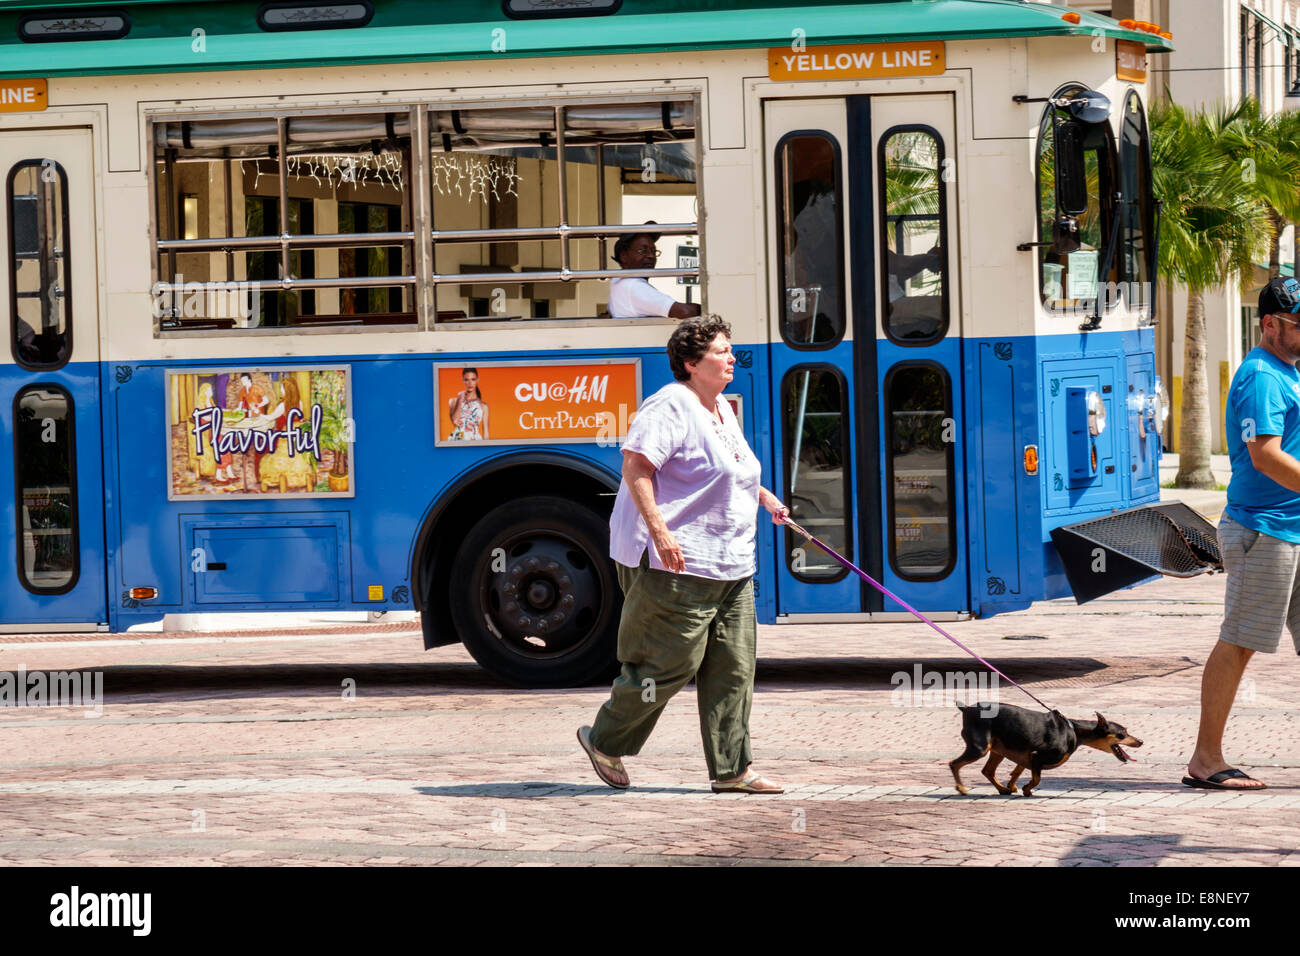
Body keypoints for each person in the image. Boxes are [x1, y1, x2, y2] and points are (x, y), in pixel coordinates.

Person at [577, 315, 790, 793]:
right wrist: (661, 532)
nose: (731, 357)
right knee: (666, 664)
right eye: (720, 351)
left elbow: (732, 470)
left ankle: (733, 769)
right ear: (692, 363)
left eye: (730, 350)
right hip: (678, 561)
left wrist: (766, 498)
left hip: (732, 562)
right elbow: (636, 467)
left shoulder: (721, 408)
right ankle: (605, 738)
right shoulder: (670, 404)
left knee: (734, 666)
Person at [1184, 276, 1300, 792]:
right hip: (1263, 530)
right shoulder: (1260, 376)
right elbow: (1266, 456)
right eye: (1299, 325)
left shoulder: (1289, 371)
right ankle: (1206, 759)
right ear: (1270, 323)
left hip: (1292, 527)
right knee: (1240, 643)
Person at [608, 224, 701, 319]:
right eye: (643, 251)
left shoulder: (618, 280)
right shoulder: (633, 285)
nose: (651, 256)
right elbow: (685, 312)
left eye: (653, 251)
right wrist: (706, 307)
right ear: (624, 256)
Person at [448, 367, 489, 440]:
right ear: (463, 381)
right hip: (456, 439)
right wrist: (460, 399)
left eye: (473, 379)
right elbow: (455, 421)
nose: (470, 383)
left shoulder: (483, 406)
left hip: (475, 440)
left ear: (477, 380)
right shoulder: (454, 401)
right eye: (466, 380)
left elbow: (486, 433)